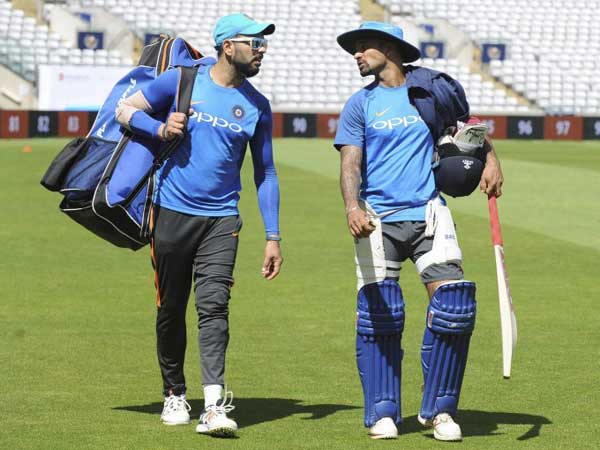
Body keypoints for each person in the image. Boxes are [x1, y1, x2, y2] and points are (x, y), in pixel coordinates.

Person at [333, 22, 503, 441]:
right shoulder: (360, 104)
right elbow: (350, 163)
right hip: (377, 219)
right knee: (379, 317)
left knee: (454, 307)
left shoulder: (428, 93)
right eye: (355, 49)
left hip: (428, 211)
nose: (357, 54)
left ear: (389, 49)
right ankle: (383, 413)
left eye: (364, 47)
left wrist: (492, 159)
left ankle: (440, 411)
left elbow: (469, 127)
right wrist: (352, 206)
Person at [115, 13, 282, 437]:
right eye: (255, 43)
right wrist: (159, 127)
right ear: (228, 46)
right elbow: (124, 109)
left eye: (264, 44)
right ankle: (174, 392)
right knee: (171, 307)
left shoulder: (258, 106)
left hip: (222, 219)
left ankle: (213, 406)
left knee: (214, 307)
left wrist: (273, 236)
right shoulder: (183, 80)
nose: (262, 50)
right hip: (171, 213)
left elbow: (266, 173)